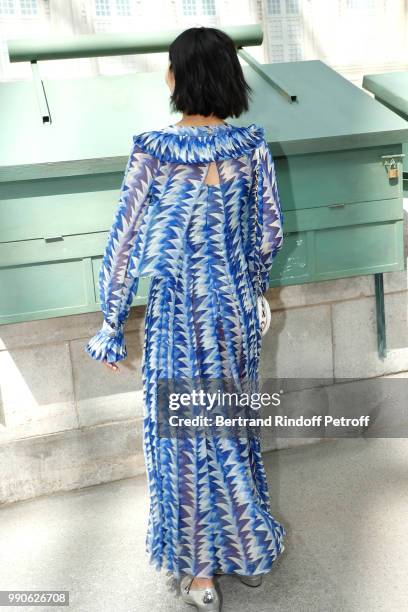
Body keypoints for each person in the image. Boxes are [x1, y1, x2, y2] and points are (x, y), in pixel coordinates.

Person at [85, 26, 285, 612]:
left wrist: (111, 324)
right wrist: (250, 289)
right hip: (233, 314)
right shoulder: (250, 148)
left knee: (186, 441)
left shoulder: (154, 149)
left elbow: (122, 243)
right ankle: (247, 548)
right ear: (230, 79)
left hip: (177, 319)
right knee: (231, 431)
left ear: (174, 78)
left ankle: (201, 573)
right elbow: (269, 234)